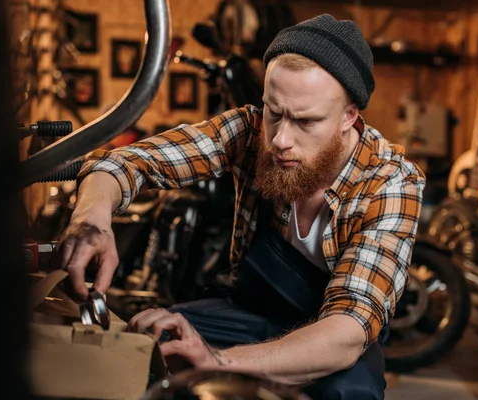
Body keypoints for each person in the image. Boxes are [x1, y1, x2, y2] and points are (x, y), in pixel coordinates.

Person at [54, 14, 426, 400]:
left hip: (329, 334)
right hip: (250, 311)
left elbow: (348, 330)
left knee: (349, 395)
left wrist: (219, 363)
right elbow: (124, 163)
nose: (280, 139)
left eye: (305, 121)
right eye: (274, 112)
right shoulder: (249, 132)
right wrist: (92, 219)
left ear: (350, 116)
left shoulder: (390, 183)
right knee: (150, 351)